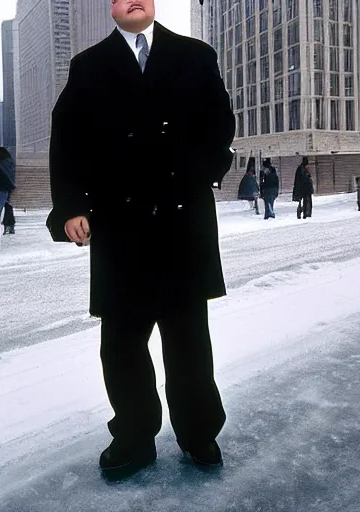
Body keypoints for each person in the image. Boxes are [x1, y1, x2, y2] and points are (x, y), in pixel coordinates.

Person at [46, 0, 235, 479]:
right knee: (123, 344)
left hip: (182, 221)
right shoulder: (88, 66)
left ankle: (199, 433)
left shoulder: (196, 55)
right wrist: (70, 206)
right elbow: (66, 140)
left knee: (189, 340)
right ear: (109, 8)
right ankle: (133, 437)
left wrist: (203, 173)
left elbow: (220, 124)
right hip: (120, 226)